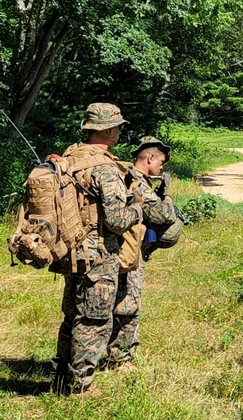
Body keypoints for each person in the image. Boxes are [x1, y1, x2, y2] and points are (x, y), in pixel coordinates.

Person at [51, 105, 174, 396]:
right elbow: (118, 220)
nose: (119, 131)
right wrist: (137, 206)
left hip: (73, 249)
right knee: (92, 320)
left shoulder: (69, 157)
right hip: (99, 253)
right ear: (106, 130)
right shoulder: (104, 167)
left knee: (72, 315)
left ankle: (59, 379)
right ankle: (80, 386)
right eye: (117, 127)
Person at [104, 136, 184, 372]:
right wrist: (167, 200)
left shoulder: (127, 176)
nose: (161, 168)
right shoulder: (137, 181)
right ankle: (121, 359)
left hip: (118, 248)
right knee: (128, 303)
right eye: (160, 163)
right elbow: (162, 215)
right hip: (128, 251)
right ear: (150, 158)